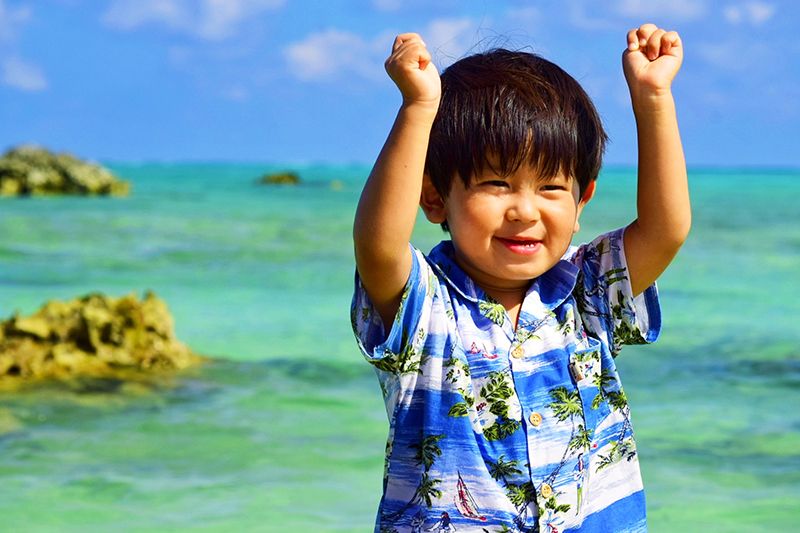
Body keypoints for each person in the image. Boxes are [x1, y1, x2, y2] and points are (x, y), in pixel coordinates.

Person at [351, 22, 689, 533]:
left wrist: (654, 99)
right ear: (435, 197)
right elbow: (378, 245)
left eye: (552, 187)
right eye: (496, 183)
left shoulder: (587, 290)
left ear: (582, 202)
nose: (524, 211)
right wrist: (418, 110)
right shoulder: (425, 306)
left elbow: (666, 231)